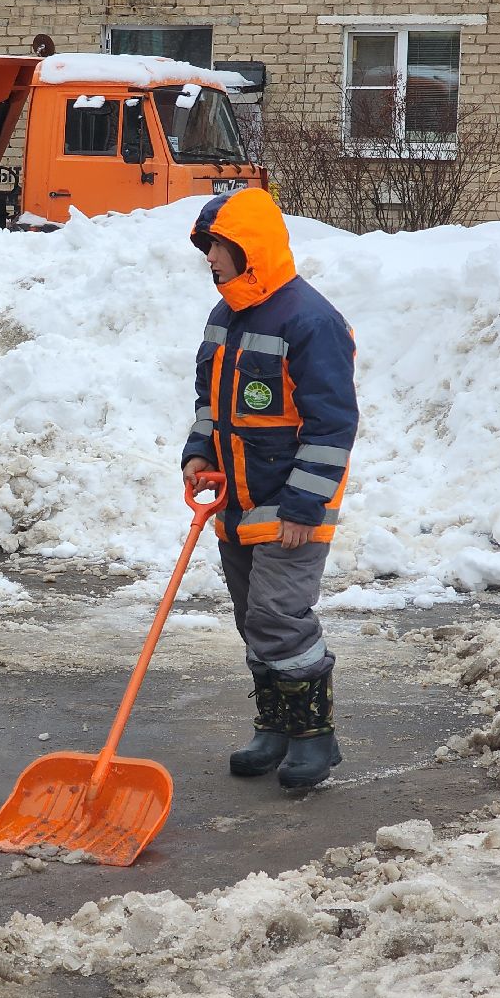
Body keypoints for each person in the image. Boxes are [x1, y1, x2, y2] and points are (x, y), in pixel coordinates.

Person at [181, 187, 357, 789]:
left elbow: (332, 424)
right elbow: (211, 405)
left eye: (218, 246)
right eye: (207, 247)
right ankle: (275, 727)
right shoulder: (224, 317)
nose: (210, 258)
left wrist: (307, 503)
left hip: (293, 506)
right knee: (252, 617)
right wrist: (199, 451)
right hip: (237, 501)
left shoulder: (310, 321)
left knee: (280, 614)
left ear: (249, 248)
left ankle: (314, 735)